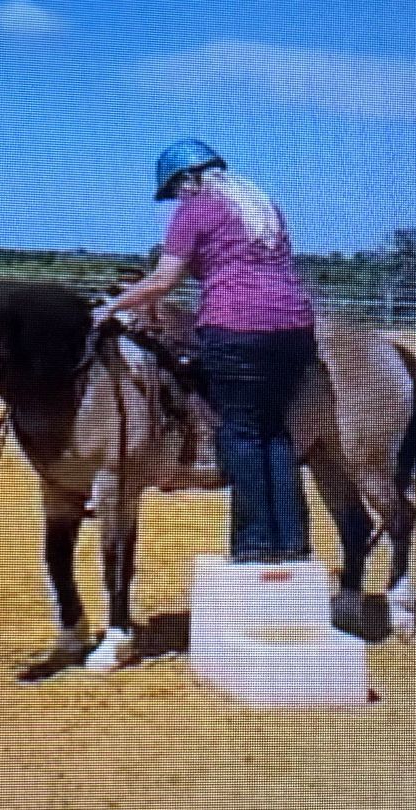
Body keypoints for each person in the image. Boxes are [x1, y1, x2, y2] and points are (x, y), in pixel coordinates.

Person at [99, 139, 318, 564]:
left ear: (188, 178)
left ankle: (253, 547)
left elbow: (164, 281)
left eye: (175, 190)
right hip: (294, 329)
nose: (176, 199)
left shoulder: (196, 208)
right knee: (274, 432)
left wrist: (113, 305)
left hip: (235, 327)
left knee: (241, 432)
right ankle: (291, 544)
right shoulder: (262, 206)